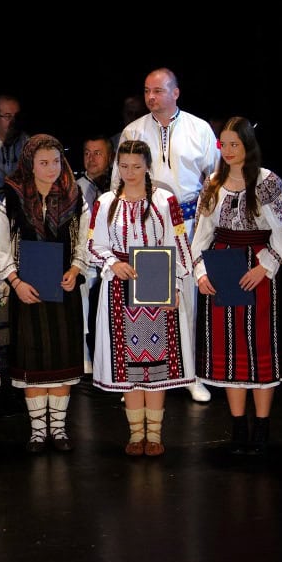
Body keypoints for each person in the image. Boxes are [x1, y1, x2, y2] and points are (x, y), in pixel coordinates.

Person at [191, 117, 282, 455]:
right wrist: (201, 272)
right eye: (224, 144)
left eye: (235, 143)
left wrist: (265, 266)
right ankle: (238, 426)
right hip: (223, 264)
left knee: (257, 344)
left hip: (257, 268)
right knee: (229, 348)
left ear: (247, 145)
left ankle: (261, 426)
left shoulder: (267, 183)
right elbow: (201, 233)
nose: (229, 150)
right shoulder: (213, 183)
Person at [115, 68, 219, 402]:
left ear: (175, 92)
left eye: (158, 90)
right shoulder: (134, 130)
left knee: (184, 298)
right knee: (144, 298)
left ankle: (189, 374)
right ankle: (141, 376)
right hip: (145, 223)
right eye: (147, 91)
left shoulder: (198, 128)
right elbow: (121, 180)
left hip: (186, 223)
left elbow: (214, 176)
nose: (151, 97)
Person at [89, 140, 196, 457]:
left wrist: (174, 284)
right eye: (124, 166)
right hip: (120, 289)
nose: (130, 172)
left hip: (155, 285)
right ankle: (136, 435)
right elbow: (94, 245)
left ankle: (155, 434)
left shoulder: (165, 201)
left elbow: (179, 245)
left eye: (136, 166)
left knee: (156, 365)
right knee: (129, 368)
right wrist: (113, 263)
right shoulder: (107, 202)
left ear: (148, 166)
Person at [0, 135, 87, 453]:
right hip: (28, 288)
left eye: (56, 162)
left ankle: (59, 429)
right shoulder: (13, 197)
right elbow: (1, 245)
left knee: (61, 354)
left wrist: (75, 270)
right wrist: (15, 282)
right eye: (43, 163)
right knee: (33, 357)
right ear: (30, 164)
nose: (51, 169)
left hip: (63, 286)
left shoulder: (75, 196)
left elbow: (85, 239)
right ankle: (37, 431)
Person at [77, 135, 114, 374]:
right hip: (88, 258)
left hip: (114, 255)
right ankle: (84, 354)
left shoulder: (118, 185)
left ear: (110, 156)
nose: (92, 158)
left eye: (97, 153)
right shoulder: (74, 186)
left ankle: (112, 355)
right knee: (81, 298)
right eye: (88, 153)